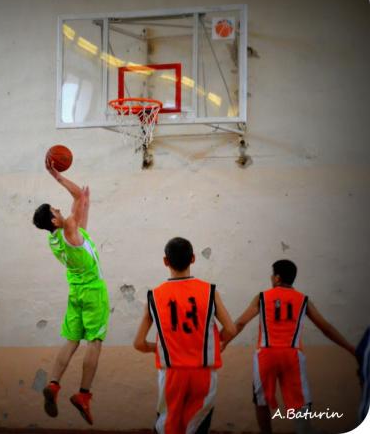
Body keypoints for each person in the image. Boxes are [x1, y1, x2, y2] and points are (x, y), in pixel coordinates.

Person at [222, 259, 357, 434]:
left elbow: (240, 323)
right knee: (300, 401)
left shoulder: (262, 297)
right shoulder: (303, 300)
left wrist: (224, 342)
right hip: (293, 356)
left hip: (266, 354)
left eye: (272, 275)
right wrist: (350, 348)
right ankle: (303, 431)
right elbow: (326, 328)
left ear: (277, 278)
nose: (271, 278)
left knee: (261, 400)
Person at [32, 157, 110, 425]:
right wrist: (57, 175)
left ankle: (53, 384)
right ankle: (84, 394)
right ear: (54, 220)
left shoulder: (56, 239)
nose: (59, 209)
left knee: (71, 340)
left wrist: (85, 202)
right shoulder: (68, 229)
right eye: (55, 210)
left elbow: (81, 217)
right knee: (94, 341)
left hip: (75, 292)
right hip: (93, 291)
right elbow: (77, 196)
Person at [133, 237, 236, 434]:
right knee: (197, 426)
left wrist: (158, 348)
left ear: (166, 261)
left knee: (168, 425)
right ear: (193, 258)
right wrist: (216, 342)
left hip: (171, 373)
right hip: (203, 373)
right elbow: (230, 330)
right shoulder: (210, 291)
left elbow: (138, 343)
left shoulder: (154, 296)